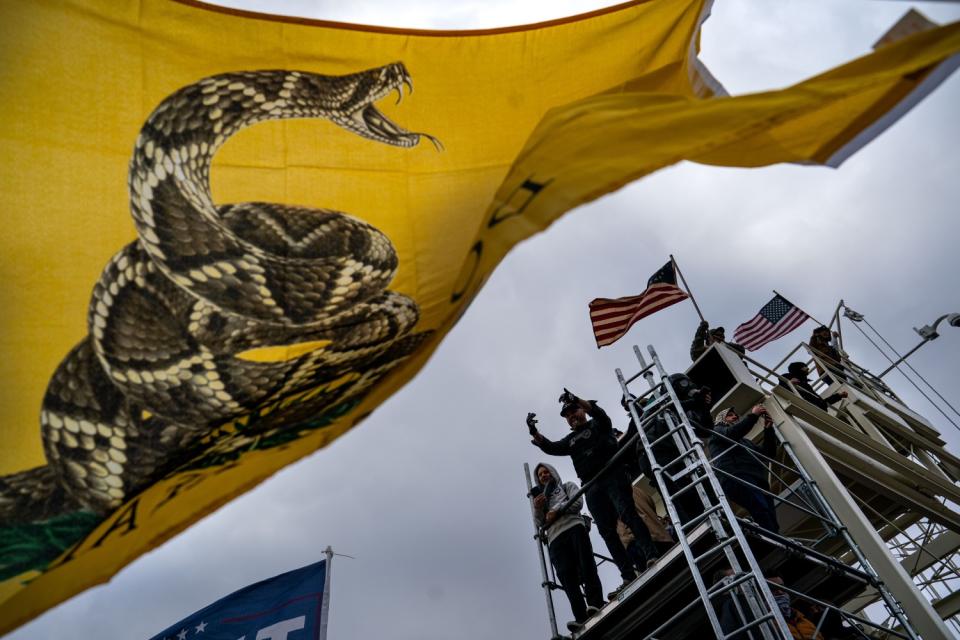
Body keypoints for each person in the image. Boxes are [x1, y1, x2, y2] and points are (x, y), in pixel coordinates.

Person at [530, 389, 660, 599]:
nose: (572, 416)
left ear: (582, 411)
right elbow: (551, 447)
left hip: (612, 473)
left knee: (627, 514)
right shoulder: (570, 440)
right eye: (568, 415)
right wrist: (534, 432)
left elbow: (599, 413)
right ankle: (627, 574)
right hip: (591, 485)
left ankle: (650, 555)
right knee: (607, 531)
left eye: (575, 411)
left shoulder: (598, 424)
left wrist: (576, 399)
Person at [622, 375, 713, 527]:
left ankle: (708, 518)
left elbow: (705, 430)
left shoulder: (684, 409)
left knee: (695, 486)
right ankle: (689, 527)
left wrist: (703, 405)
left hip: (676, 452)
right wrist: (695, 401)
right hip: (655, 453)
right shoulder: (656, 400)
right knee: (675, 492)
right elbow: (667, 406)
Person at [532, 463, 603, 633]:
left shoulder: (567, 486)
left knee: (586, 566)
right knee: (567, 578)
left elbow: (577, 503)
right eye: (540, 474)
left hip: (574, 528)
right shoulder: (540, 499)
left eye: (546, 471)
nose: (543, 475)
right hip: (555, 538)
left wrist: (557, 510)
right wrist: (537, 509)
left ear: (552, 472)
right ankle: (580, 617)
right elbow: (539, 524)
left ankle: (596, 604)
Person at [709, 404, 780, 533]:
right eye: (730, 415)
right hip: (737, 475)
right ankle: (773, 539)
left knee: (769, 513)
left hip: (756, 478)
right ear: (721, 419)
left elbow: (768, 454)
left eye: (735, 415)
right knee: (761, 507)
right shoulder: (717, 430)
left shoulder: (745, 442)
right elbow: (732, 433)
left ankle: (775, 538)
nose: (735, 416)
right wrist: (753, 415)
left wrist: (768, 430)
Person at [616, 483, 675, 571]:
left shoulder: (612, 498)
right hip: (661, 537)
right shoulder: (638, 490)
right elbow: (651, 505)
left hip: (638, 545)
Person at [780, 362, 848, 412]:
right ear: (798, 368)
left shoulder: (806, 385)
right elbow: (781, 392)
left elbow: (822, 403)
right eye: (804, 366)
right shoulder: (786, 378)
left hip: (818, 412)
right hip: (805, 410)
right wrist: (790, 384)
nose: (808, 368)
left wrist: (839, 396)